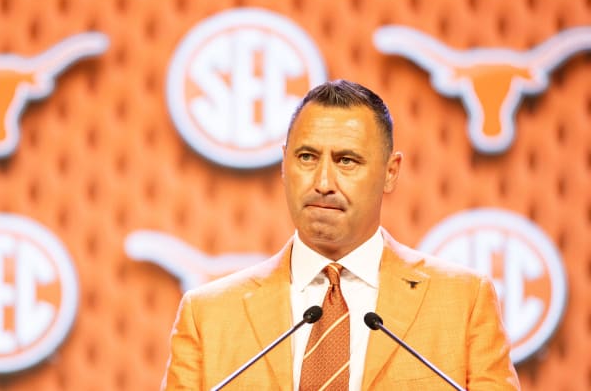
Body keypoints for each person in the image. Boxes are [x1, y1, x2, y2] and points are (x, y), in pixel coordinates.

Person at [162, 80, 520, 390]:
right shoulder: (207, 315)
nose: (322, 183)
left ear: (390, 172)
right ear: (283, 164)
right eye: (306, 157)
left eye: (347, 161)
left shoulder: (465, 303)